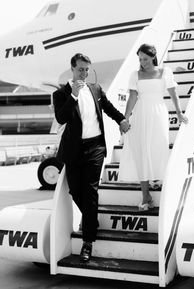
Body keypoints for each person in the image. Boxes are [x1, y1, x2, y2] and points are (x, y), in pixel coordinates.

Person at [53, 53, 129, 263]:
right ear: (72, 69)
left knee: (90, 191)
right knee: (75, 190)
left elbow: (108, 107)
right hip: (74, 149)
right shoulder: (60, 94)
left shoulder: (95, 89)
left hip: (95, 146)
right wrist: (74, 96)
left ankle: (88, 241)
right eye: (80, 70)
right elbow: (61, 118)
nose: (84, 74)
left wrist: (121, 119)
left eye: (87, 70)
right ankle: (91, 221)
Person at [118, 43, 188, 210]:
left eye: (146, 59)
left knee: (159, 148)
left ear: (153, 57)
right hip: (140, 114)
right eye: (141, 59)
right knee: (141, 152)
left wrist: (179, 113)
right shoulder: (135, 75)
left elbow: (173, 93)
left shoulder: (165, 72)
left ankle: (163, 187)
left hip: (158, 113)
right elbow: (133, 98)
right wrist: (125, 119)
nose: (143, 62)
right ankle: (145, 196)